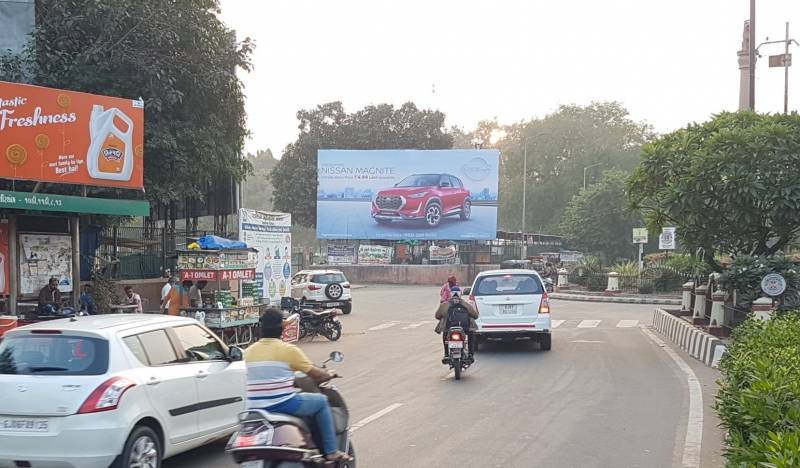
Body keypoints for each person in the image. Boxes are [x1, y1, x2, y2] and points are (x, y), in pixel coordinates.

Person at [245, 309, 352, 462]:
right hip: (282, 404)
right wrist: (328, 374)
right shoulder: (288, 351)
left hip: (254, 408)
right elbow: (316, 374)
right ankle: (331, 451)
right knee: (321, 402)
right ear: (282, 328)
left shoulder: (248, 352)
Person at [434, 287, 479, 362]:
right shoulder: (466, 305)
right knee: (471, 334)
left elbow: (437, 316)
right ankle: (471, 354)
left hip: (449, 328)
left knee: (445, 334)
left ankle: (446, 354)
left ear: (451, 294)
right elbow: (475, 316)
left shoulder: (444, 305)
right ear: (460, 294)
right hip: (464, 328)